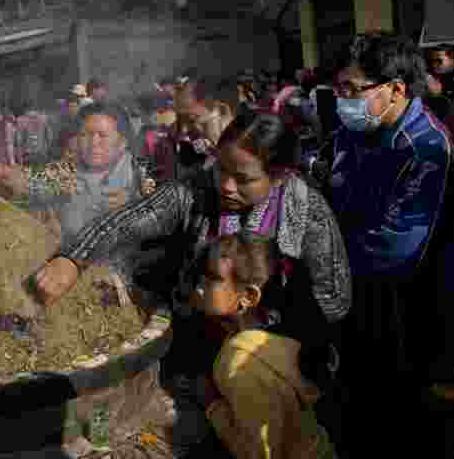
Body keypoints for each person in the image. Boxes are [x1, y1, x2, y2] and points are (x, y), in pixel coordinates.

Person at [34, 110, 351, 389]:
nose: (226, 185)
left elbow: (333, 300)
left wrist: (256, 322)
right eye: (222, 169)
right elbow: (128, 220)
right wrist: (73, 258)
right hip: (199, 349)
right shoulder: (195, 190)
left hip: (275, 360)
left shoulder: (305, 212)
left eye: (243, 179)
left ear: (279, 178)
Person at [324, 34, 452, 459]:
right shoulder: (354, 128)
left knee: (396, 411)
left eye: (351, 89)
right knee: (356, 402)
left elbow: (394, 246)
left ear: (396, 88)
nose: (342, 101)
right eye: (337, 89)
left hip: (398, 299)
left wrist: (326, 254)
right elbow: (331, 185)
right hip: (348, 286)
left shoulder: (424, 148)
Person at [192, 232, 345, 459]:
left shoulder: (241, 363)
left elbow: (260, 458)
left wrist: (212, 406)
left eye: (211, 279)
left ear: (249, 296)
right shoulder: (279, 336)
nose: (199, 287)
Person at [0, 103, 150, 245]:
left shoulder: (140, 174)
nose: (93, 143)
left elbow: (162, 218)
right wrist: (0, 170)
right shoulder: (68, 173)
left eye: (102, 135)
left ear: (122, 142)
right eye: (85, 135)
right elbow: (30, 180)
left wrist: (133, 203)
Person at [425, 46, 454, 121]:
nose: (434, 65)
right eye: (432, 61)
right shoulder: (430, 74)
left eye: (439, 61)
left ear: (452, 60)